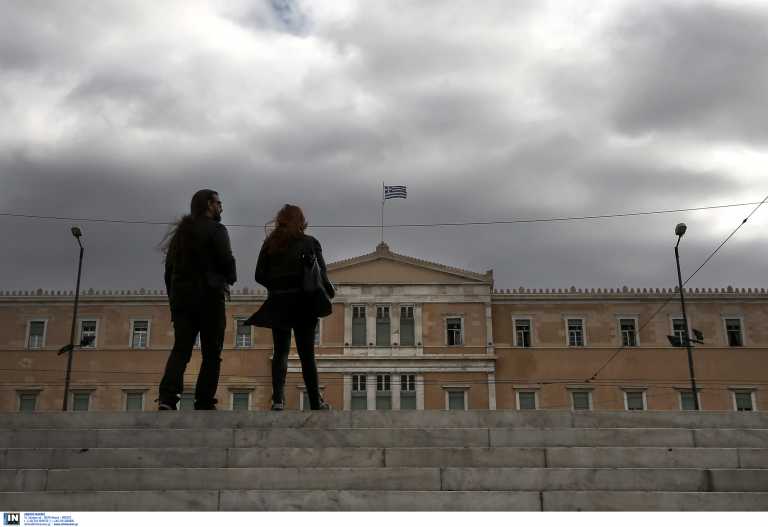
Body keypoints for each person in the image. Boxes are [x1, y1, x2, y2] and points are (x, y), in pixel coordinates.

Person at [247, 204, 334, 410]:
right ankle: (315, 401)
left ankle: (278, 399)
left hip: (279, 304)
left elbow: (259, 275)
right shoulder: (310, 242)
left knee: (280, 353)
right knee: (307, 355)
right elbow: (321, 274)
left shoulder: (270, 244)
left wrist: (277, 286)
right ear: (301, 221)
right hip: (304, 304)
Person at [157, 189, 237, 410]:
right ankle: (203, 400)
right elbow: (226, 259)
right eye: (218, 203)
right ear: (209, 204)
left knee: (181, 349)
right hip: (210, 298)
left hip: (182, 300)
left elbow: (169, 270)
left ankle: (167, 398)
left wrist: (174, 300)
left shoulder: (181, 235)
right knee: (212, 353)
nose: (221, 207)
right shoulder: (217, 230)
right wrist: (230, 277)